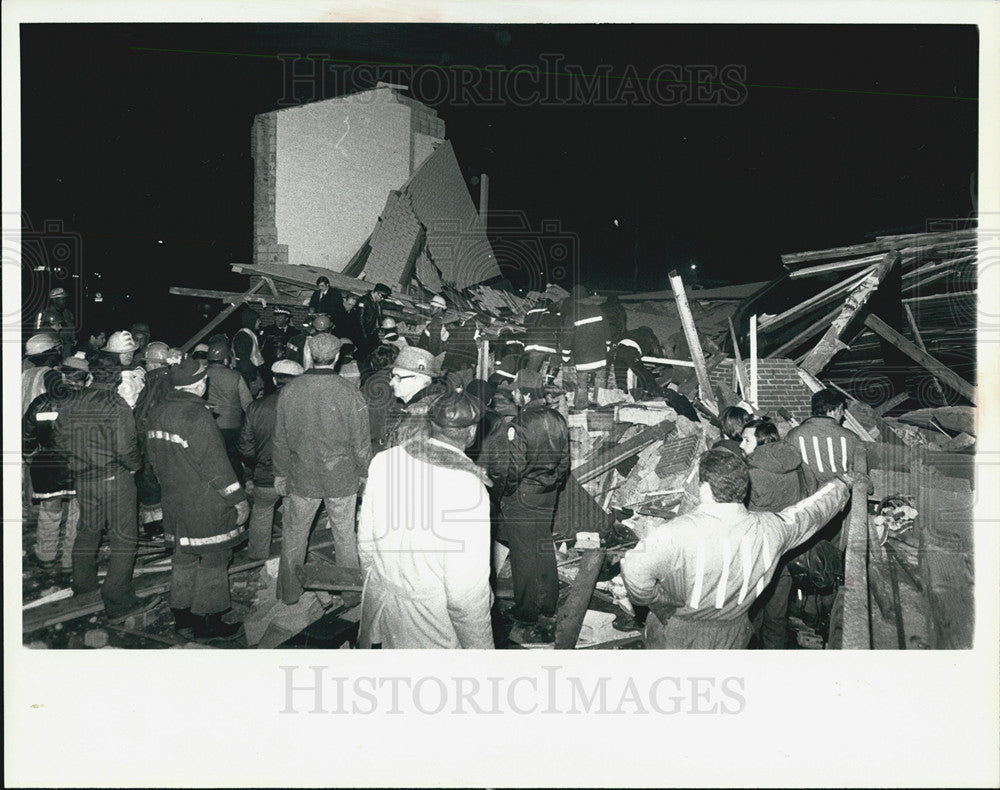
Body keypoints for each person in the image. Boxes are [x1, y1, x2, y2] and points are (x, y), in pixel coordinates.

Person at [619, 448, 850, 649]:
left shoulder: (675, 532)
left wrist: (656, 601)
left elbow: (633, 567)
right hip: (734, 633)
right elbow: (810, 513)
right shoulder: (771, 529)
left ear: (706, 488)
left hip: (678, 634)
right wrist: (843, 484)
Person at [357, 391, 494, 649]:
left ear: (431, 423)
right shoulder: (468, 488)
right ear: (472, 431)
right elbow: (465, 596)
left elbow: (365, 543)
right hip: (429, 624)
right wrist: (482, 652)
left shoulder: (385, 461)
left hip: (381, 608)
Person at [145, 357, 249, 641]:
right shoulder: (197, 416)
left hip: (174, 501)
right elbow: (215, 465)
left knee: (183, 559)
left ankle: (183, 618)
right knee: (215, 559)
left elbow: (152, 461)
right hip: (205, 503)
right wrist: (238, 498)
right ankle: (208, 623)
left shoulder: (158, 411)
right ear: (200, 384)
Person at [52, 352, 161, 623]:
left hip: (83, 477)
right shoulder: (117, 404)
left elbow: (58, 439)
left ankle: (84, 586)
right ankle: (118, 599)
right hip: (114, 478)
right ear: (115, 379)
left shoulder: (68, 401)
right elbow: (127, 447)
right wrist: (135, 466)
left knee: (88, 531)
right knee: (124, 537)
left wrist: (77, 461)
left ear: (89, 375)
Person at [272, 333, 371, 605]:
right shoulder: (350, 391)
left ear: (309, 353)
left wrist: (280, 473)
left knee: (294, 535)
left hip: (302, 476)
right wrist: (364, 473)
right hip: (341, 477)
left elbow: (279, 438)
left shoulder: (290, 390)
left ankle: (289, 592)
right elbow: (361, 441)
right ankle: (350, 596)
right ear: (337, 357)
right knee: (344, 535)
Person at [478, 370, 570, 643]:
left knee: (522, 556)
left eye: (516, 391)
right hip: (548, 493)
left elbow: (512, 468)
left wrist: (503, 494)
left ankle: (526, 615)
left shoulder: (519, 424)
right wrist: (552, 483)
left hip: (523, 496)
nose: (513, 394)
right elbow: (565, 462)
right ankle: (548, 606)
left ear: (525, 394)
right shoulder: (558, 419)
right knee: (543, 547)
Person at [740, 418, 819, 649]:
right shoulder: (800, 466)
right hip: (786, 552)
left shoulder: (749, 474)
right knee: (777, 616)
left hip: (756, 554)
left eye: (746, 440)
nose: (742, 445)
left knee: (751, 616)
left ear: (762, 442)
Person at [22, 356, 89, 577]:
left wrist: (32, 457)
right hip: (81, 466)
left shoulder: (41, 402)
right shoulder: (91, 403)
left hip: (48, 467)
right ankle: (70, 560)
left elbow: (27, 436)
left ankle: (46, 557)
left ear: (61, 374)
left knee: (50, 512)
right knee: (77, 515)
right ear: (85, 379)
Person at [784, 388, 869, 548]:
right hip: (838, 507)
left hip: (804, 507)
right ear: (834, 409)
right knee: (833, 552)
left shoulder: (793, 435)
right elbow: (859, 473)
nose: (843, 414)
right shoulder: (851, 438)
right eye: (842, 410)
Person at [238, 359, 303, 561]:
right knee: (295, 519)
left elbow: (245, 447)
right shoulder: (305, 408)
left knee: (261, 513)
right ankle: (291, 559)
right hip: (296, 476)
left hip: (265, 475)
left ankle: (258, 557)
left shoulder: (256, 407)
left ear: (275, 379)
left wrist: (261, 461)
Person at [204, 339, 252, 483]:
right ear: (225, 359)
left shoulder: (201, 374)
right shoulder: (235, 376)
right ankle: (237, 486)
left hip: (209, 424)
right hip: (232, 426)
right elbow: (247, 403)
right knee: (232, 458)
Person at [381, 345, 447, 448]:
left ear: (419, 379)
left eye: (398, 377)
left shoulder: (418, 417)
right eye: (392, 376)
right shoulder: (429, 404)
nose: (391, 382)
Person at [562, 285, 608, 407]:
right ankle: (601, 406)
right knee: (601, 381)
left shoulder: (573, 314)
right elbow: (607, 330)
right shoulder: (598, 310)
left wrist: (565, 354)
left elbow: (567, 336)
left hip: (583, 356)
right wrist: (607, 346)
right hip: (600, 355)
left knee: (582, 385)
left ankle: (581, 407)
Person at [359, 344, 400, 456]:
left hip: (376, 441)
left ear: (373, 364)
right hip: (394, 438)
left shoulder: (370, 383)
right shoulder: (400, 381)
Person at [611, 325, 665, 399]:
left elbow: (614, 340)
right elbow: (657, 352)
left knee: (620, 376)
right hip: (632, 352)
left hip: (619, 351)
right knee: (643, 374)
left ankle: (622, 395)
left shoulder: (630, 332)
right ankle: (657, 393)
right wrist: (660, 361)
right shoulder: (650, 336)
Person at [22, 333, 63, 414]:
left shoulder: (26, 373)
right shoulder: (51, 375)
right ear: (50, 354)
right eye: (56, 350)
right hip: (40, 420)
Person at [231, 308, 266, 399]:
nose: (260, 322)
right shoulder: (244, 336)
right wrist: (253, 378)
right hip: (246, 376)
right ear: (251, 320)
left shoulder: (249, 334)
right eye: (258, 320)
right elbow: (244, 360)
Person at [352, 283, 391, 362]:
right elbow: (360, 321)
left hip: (371, 331)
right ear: (376, 293)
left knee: (372, 352)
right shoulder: (364, 301)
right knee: (363, 353)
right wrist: (364, 337)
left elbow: (379, 315)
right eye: (381, 296)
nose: (382, 299)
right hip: (362, 332)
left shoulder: (377, 301)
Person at [36, 286, 76, 351]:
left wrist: (73, 338)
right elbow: (36, 333)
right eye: (62, 299)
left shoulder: (68, 313)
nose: (65, 301)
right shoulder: (44, 314)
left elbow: (71, 327)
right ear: (54, 300)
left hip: (68, 347)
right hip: (53, 349)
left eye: (65, 299)